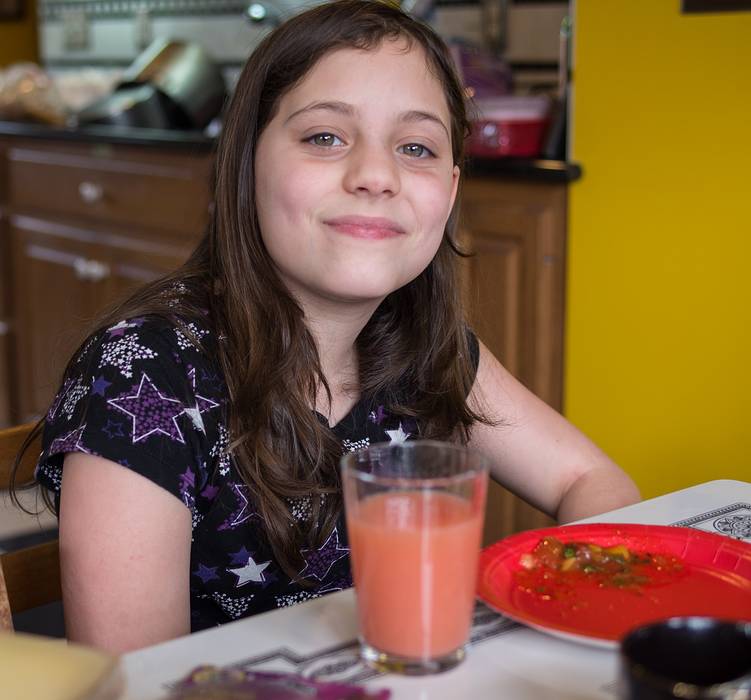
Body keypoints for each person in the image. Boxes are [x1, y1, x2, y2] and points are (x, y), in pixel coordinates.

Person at [15, 0, 640, 653]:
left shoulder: (425, 348)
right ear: (246, 162)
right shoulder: (147, 373)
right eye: (324, 137)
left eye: (416, 147)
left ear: (449, 192)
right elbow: (130, 682)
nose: (375, 175)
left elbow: (588, 481)